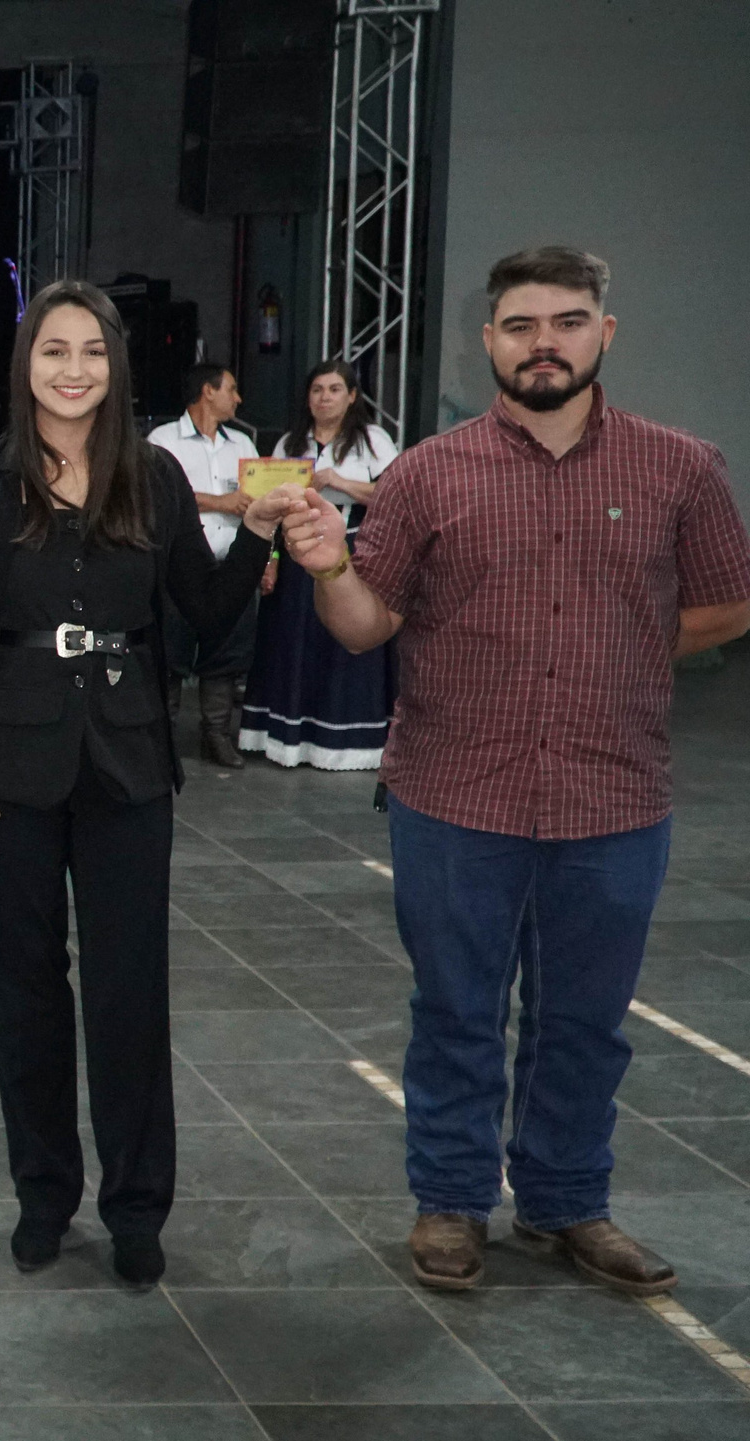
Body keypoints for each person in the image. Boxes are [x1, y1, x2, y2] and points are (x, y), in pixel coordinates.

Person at [278, 247, 750, 1295]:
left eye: (568, 321)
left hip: (614, 796)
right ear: (486, 339)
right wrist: (325, 567)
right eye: (522, 324)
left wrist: (621, 645)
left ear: (604, 335)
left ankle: (567, 1201)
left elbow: (727, 599)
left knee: (585, 1020)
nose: (545, 343)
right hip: (453, 795)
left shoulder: (681, 467)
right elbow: (364, 625)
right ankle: (450, 1200)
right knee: (455, 1009)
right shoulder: (427, 474)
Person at [0, 281, 297, 1286]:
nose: (72, 369)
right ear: (24, 364)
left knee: (131, 994)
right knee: (26, 991)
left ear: (115, 366)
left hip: (128, 762)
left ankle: (136, 1207)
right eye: (53, 351)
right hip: (3, 770)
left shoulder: (157, 477)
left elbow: (207, 616)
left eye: (91, 350)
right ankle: (44, 1195)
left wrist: (254, 532)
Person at [239, 361, 400, 769]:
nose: (324, 397)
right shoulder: (290, 444)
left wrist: (337, 482)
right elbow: (269, 508)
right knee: (294, 647)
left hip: (355, 554)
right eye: (316, 390)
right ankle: (289, 740)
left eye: (333, 389)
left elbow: (393, 495)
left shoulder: (372, 440)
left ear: (351, 397)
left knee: (347, 645)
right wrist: (270, 558)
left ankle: (348, 743)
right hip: (298, 555)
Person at [146, 364, 263, 767]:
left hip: (232, 564)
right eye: (231, 388)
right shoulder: (162, 441)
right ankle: (161, 739)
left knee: (228, 653)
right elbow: (157, 496)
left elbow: (261, 504)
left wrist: (271, 557)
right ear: (207, 392)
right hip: (177, 568)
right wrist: (220, 502)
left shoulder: (243, 445)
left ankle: (216, 735)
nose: (238, 398)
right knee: (169, 654)